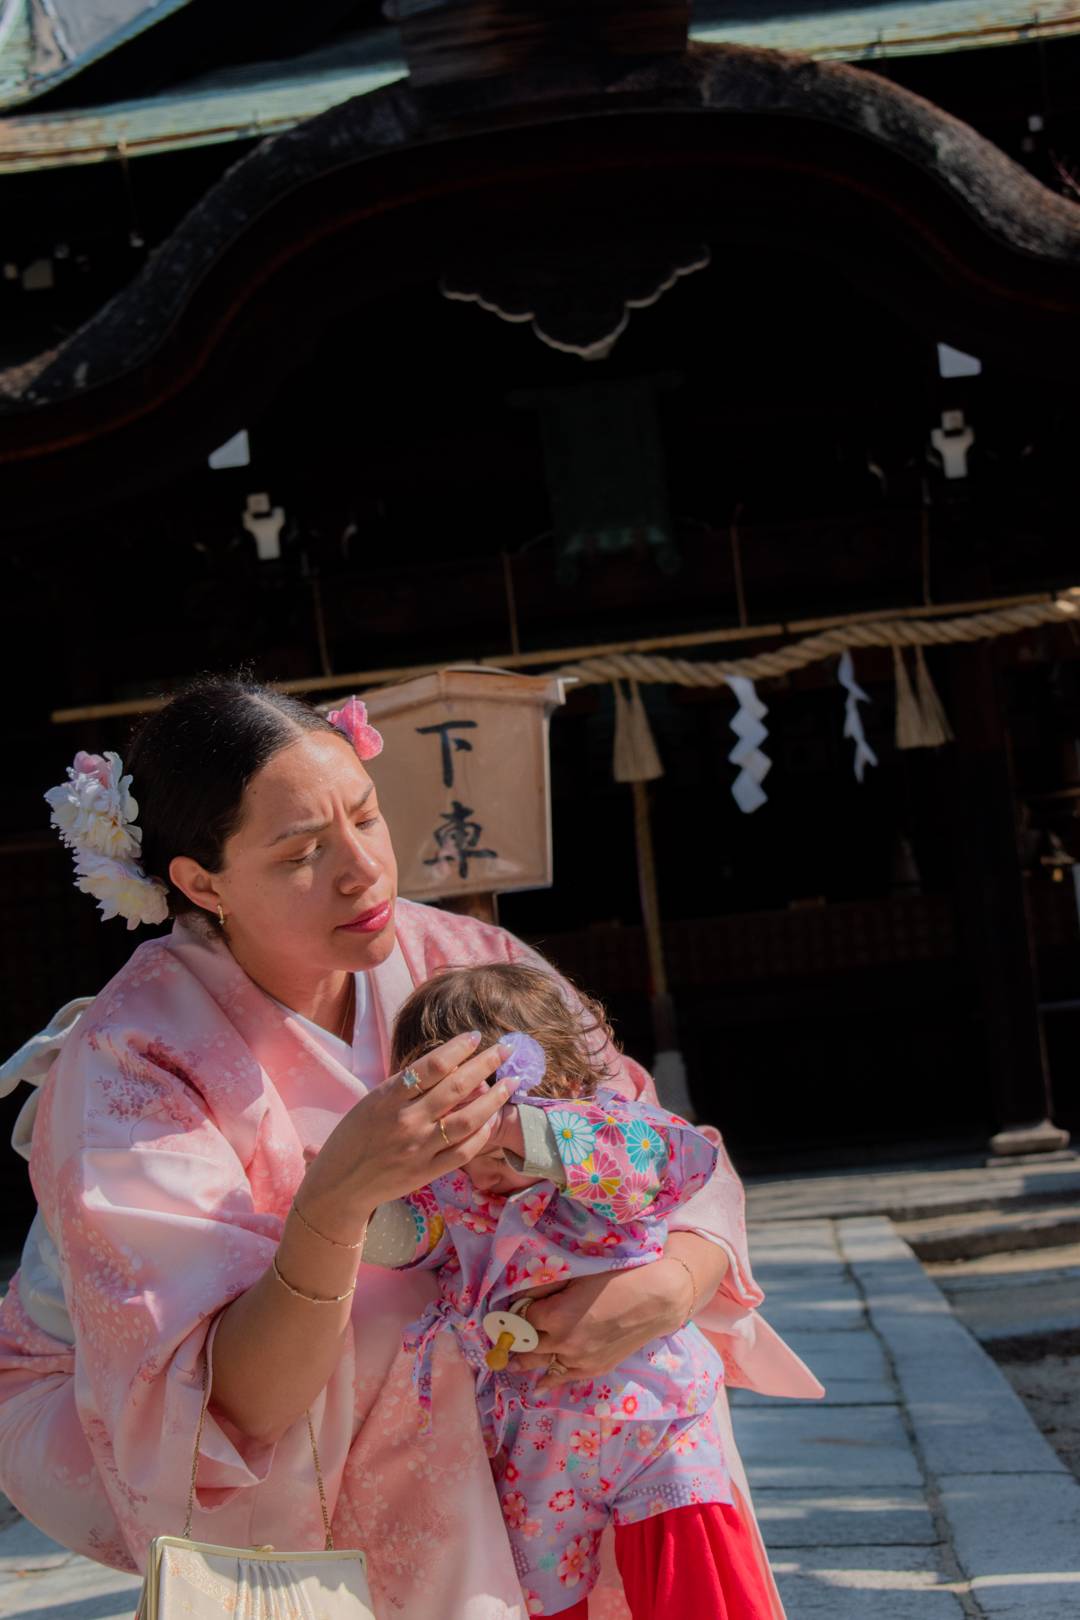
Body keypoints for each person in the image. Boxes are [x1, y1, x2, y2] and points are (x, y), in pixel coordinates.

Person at [0, 676, 822, 1620]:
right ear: (200, 882)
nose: (363, 871)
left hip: (479, 1346)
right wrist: (337, 1201)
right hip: (171, 1405)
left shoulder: (459, 959)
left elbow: (652, 1142)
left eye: (366, 817)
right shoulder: (130, 1062)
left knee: (639, 1342)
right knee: (406, 1316)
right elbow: (219, 1402)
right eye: (302, 853)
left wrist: (672, 1282)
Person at [368, 960, 783, 1619]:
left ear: (560, 1087)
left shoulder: (609, 1139)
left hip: (655, 1413)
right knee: (545, 1597)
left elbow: (678, 1165)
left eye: (497, 1148)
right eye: (461, 1146)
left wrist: (524, 1133)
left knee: (696, 1583)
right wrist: (355, 1207)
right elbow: (418, 1237)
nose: (481, 1171)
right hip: (531, 1433)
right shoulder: (454, 1189)